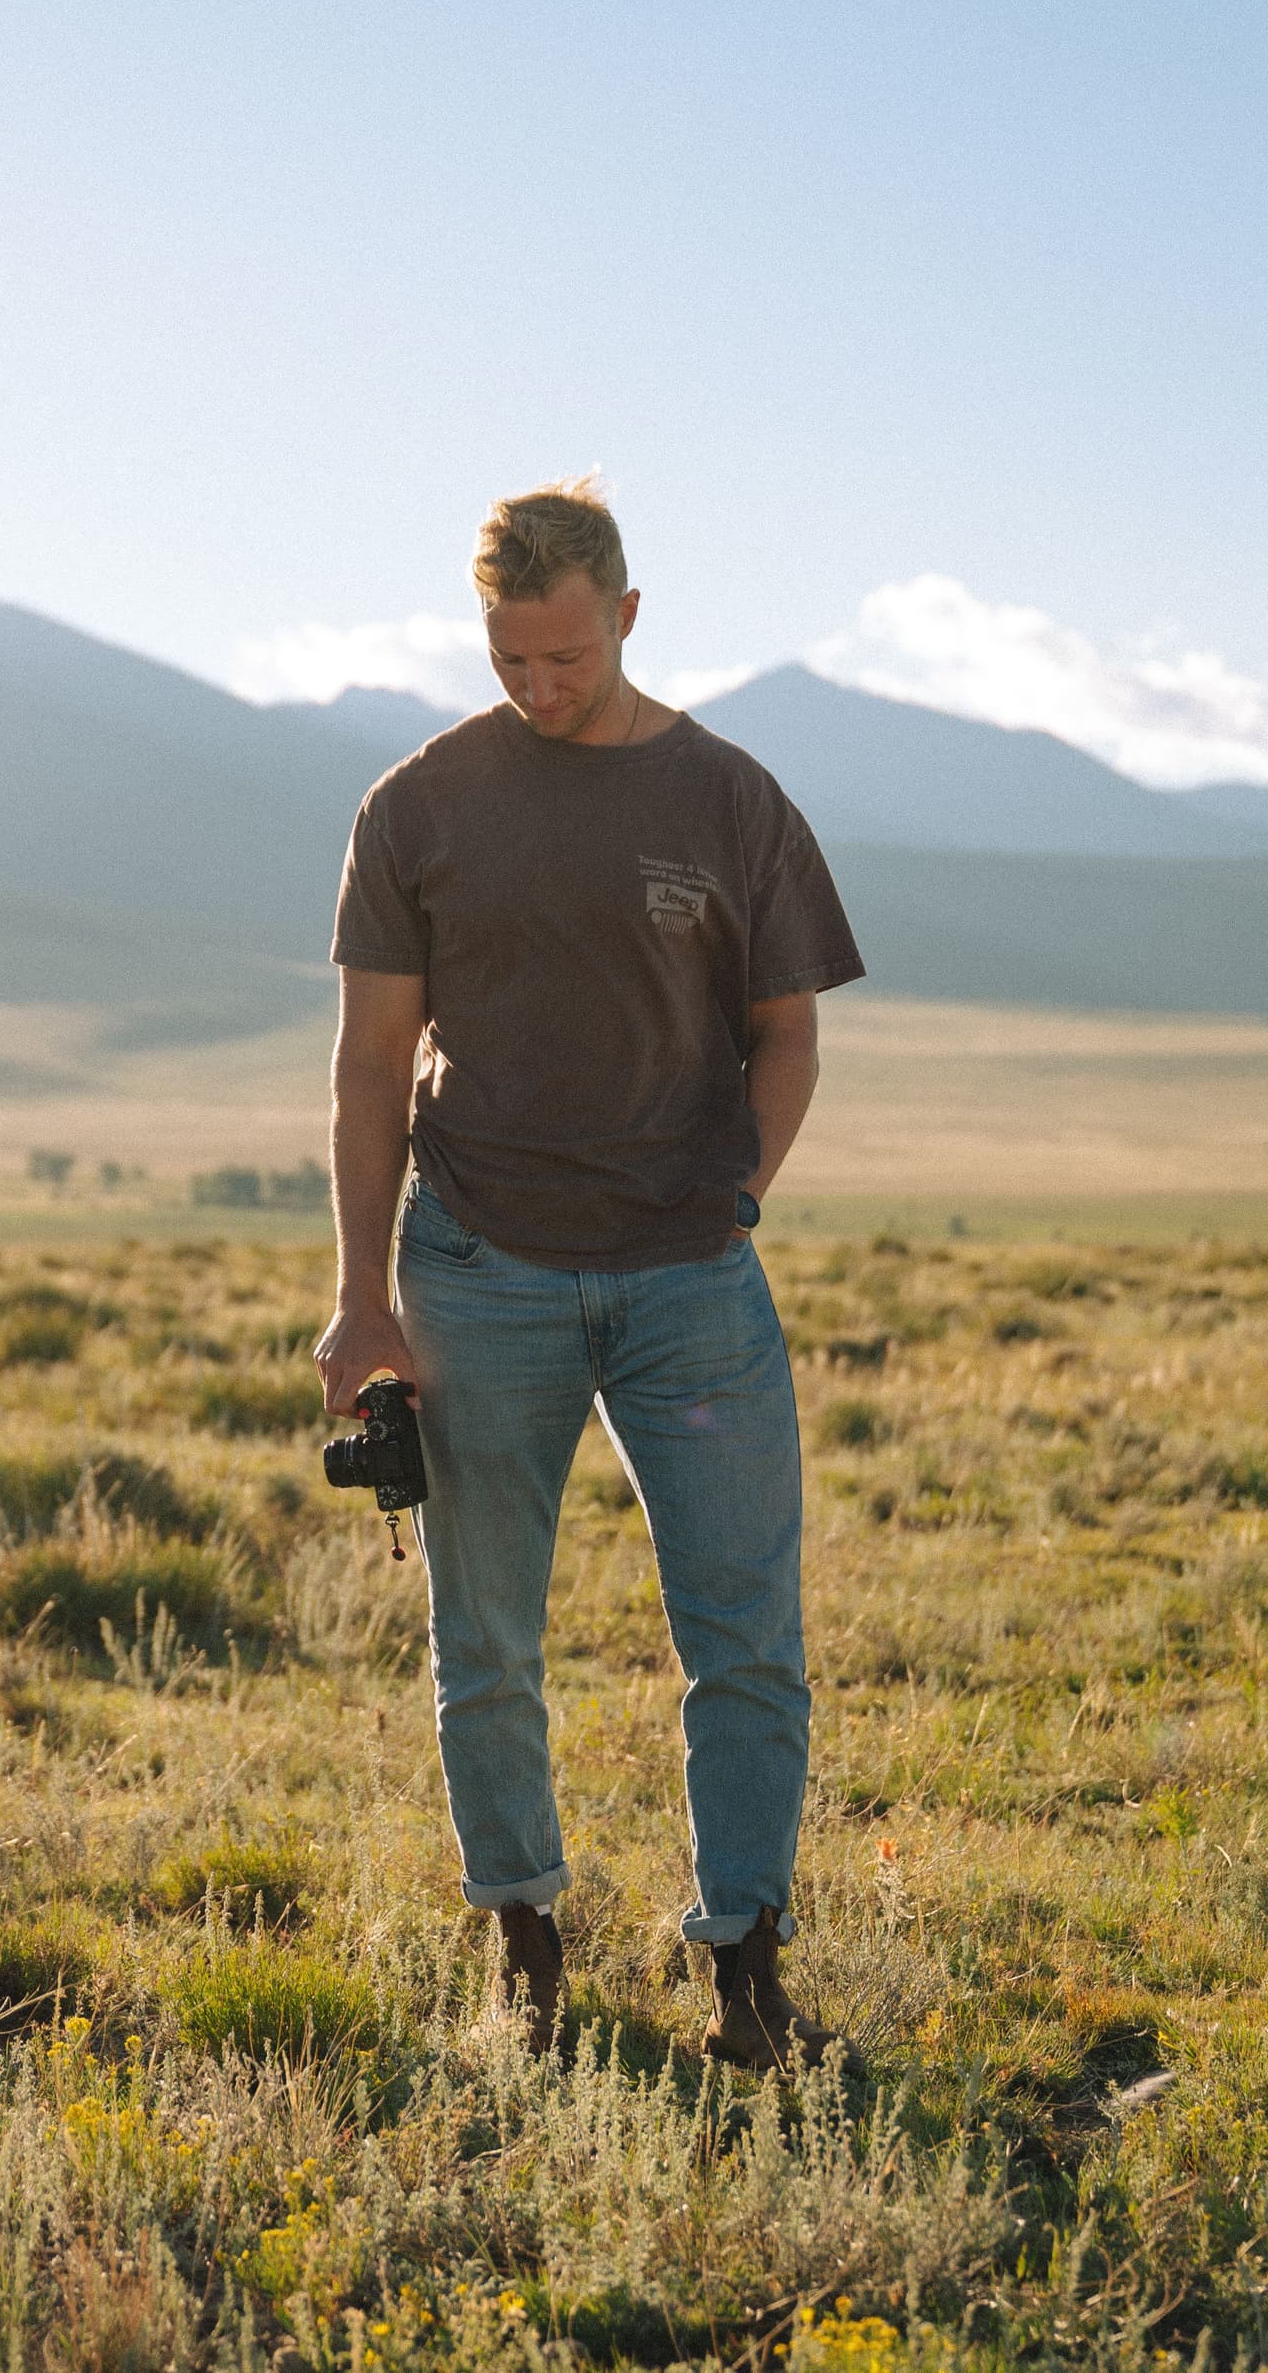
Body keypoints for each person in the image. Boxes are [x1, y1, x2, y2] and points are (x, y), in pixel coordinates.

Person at [315, 476, 864, 2068]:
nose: (540, 689)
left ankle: (747, 1965)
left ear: (627, 616)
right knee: (485, 1638)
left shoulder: (732, 802)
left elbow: (790, 1032)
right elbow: (367, 1068)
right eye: (510, 662)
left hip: (691, 1284)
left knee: (746, 1631)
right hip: (479, 1271)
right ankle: (526, 1953)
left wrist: (732, 1196)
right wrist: (363, 1294)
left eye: (566, 657)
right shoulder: (416, 807)